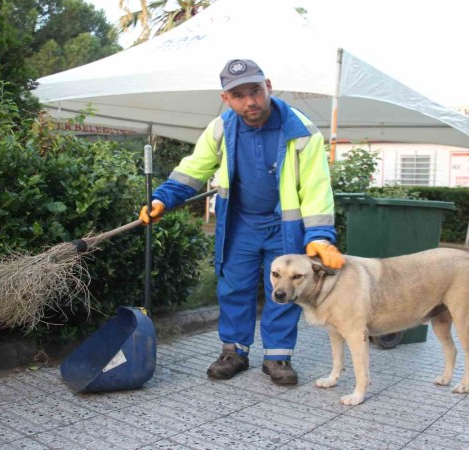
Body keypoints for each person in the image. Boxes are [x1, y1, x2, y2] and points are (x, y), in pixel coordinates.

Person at [139, 59, 344, 385]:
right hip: (240, 226)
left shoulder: (302, 131)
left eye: (255, 91)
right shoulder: (221, 129)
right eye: (238, 95)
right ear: (226, 99)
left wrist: (319, 236)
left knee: (284, 289)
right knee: (233, 288)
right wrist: (163, 198)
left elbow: (317, 187)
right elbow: (194, 168)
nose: (250, 101)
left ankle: (277, 357)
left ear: (269, 87)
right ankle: (234, 352)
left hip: (283, 228)